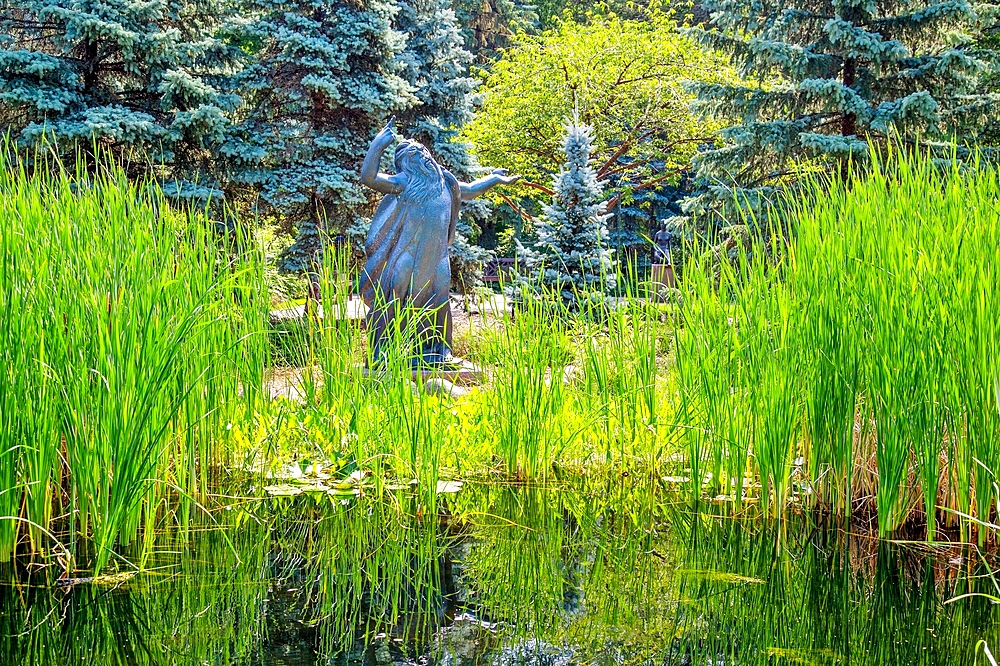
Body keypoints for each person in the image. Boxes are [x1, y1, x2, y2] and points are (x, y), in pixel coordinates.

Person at [359, 116, 519, 366]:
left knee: (440, 302)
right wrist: (378, 145)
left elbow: (469, 190)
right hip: (407, 256)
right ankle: (384, 353)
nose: (422, 156)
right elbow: (369, 178)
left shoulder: (445, 181)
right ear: (406, 164)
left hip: (437, 259)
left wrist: (494, 178)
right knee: (393, 301)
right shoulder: (404, 183)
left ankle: (438, 351)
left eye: (423, 152)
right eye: (415, 155)